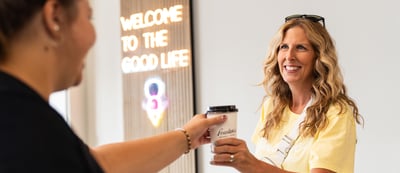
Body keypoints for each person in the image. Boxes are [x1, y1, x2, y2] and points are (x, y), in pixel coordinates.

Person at [0, 0, 227, 172]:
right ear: (55, 18)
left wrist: (186, 137)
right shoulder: (31, 130)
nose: (93, 36)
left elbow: (97, 163)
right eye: (89, 17)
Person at [210, 14, 363, 173]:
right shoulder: (272, 106)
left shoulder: (336, 113)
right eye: (284, 47)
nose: (289, 56)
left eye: (301, 48)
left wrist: (252, 164)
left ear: (319, 57)